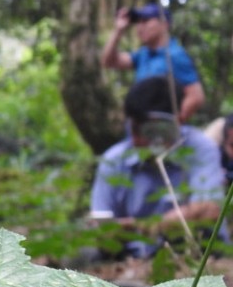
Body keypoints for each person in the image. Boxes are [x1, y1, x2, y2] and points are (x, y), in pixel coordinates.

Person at [90, 76, 224, 258]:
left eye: (146, 130)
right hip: (133, 257)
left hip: (195, 253)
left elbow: (208, 211)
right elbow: (101, 224)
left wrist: (137, 226)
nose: (137, 138)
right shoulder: (114, 159)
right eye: (133, 128)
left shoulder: (199, 149)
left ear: (169, 126)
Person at [101, 2, 205, 123]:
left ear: (164, 24)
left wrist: (173, 123)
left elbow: (196, 96)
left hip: (162, 130)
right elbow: (108, 61)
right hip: (140, 128)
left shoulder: (175, 55)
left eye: (145, 21)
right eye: (138, 22)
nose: (140, 27)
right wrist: (118, 30)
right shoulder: (143, 54)